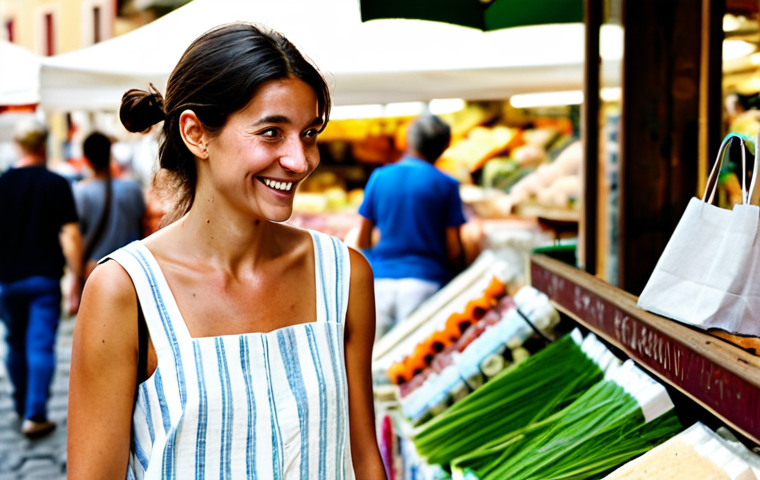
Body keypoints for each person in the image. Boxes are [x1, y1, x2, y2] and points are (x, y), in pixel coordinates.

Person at [67, 23, 386, 480]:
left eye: (309, 132)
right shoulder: (126, 292)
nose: (301, 160)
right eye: (272, 132)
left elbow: (362, 457)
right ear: (196, 134)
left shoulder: (343, 275)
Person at [0, 119, 83, 437]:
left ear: (19, 145)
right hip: (44, 280)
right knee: (40, 345)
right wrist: (76, 277)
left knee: (14, 343)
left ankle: (22, 405)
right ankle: (34, 412)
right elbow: (71, 236)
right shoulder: (56, 184)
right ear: (44, 145)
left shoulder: (2, 183)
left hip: (7, 280)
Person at [358, 114, 467, 342]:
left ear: (408, 140)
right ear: (444, 147)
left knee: (374, 361)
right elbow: (454, 248)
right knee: (412, 360)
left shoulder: (379, 177)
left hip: (380, 283)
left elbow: (362, 239)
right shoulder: (446, 184)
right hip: (425, 282)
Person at [74, 132, 146, 280]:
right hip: (132, 268)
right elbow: (143, 225)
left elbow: (77, 236)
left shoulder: (81, 191)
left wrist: (77, 274)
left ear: (86, 159)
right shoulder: (132, 188)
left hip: (95, 270)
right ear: (110, 154)